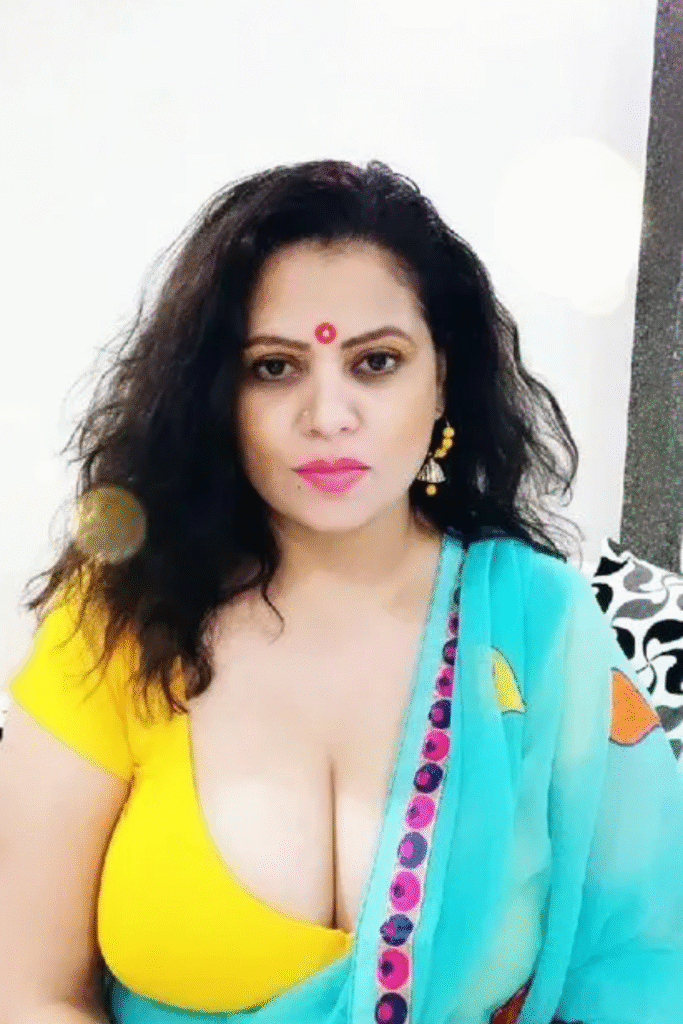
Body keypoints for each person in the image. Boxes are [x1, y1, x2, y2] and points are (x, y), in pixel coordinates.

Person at [1, 159, 682, 1024]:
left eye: (375, 362)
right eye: (274, 368)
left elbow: (641, 964)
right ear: (217, 396)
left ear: (443, 380)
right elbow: (27, 988)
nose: (327, 415)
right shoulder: (125, 619)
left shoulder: (538, 626)